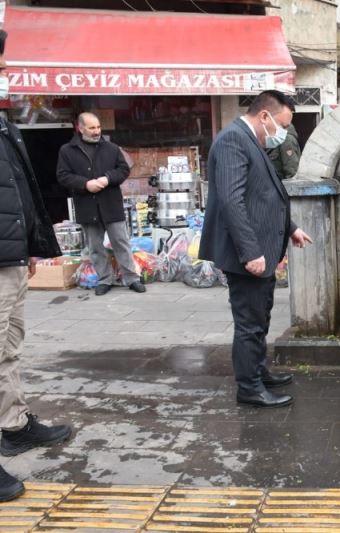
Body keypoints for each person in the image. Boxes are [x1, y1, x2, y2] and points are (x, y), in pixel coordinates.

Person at [199, 90, 312, 409]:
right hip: (247, 254)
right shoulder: (232, 140)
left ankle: (258, 371)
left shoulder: (251, 140)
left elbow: (262, 195)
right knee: (250, 321)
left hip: (264, 246)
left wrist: (290, 229)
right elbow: (232, 201)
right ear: (264, 116)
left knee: (260, 316)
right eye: (282, 125)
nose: (283, 134)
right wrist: (250, 252)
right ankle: (249, 387)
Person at [0, 29, 72, 503]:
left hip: (7, 257)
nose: (5, 75)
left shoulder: (3, 122)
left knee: (8, 348)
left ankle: (13, 425)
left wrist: (26, 245)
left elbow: (13, 190)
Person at [56, 112, 146, 296]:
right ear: (80, 128)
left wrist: (107, 178)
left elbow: (123, 169)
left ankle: (132, 278)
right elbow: (63, 175)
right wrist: (84, 184)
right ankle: (105, 279)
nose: (96, 131)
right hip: (87, 205)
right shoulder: (67, 150)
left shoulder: (111, 148)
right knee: (95, 246)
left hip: (111, 203)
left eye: (98, 127)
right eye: (91, 128)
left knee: (121, 242)